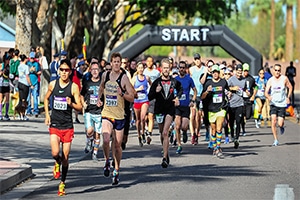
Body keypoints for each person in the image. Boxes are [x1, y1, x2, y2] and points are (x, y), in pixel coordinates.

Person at [44, 59, 82, 196]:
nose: (64, 73)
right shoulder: (53, 84)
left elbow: (80, 106)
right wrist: (47, 115)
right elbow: (46, 98)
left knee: (65, 156)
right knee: (55, 153)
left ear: (70, 72)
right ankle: (56, 163)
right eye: (62, 70)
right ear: (58, 71)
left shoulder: (73, 87)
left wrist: (71, 104)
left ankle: (62, 183)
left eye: (67, 70)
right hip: (55, 124)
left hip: (67, 126)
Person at [97, 52, 135, 185]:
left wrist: (122, 93)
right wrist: (99, 99)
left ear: (120, 64)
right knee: (106, 139)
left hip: (119, 116)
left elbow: (132, 97)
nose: (117, 64)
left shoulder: (124, 78)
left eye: (119, 62)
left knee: (117, 145)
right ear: (111, 63)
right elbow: (101, 87)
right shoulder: (105, 75)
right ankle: (107, 161)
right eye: (114, 62)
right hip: (107, 113)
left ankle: (117, 169)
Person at [148, 58, 182, 168]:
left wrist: (177, 97)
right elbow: (150, 96)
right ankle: (166, 152)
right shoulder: (156, 82)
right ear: (161, 69)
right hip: (159, 109)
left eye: (168, 68)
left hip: (169, 109)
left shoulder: (174, 81)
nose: (166, 70)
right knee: (162, 133)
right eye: (164, 68)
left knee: (165, 132)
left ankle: (164, 158)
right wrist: (155, 91)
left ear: (170, 68)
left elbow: (181, 89)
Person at [201, 65, 230, 158]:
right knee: (213, 130)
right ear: (212, 73)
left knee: (219, 128)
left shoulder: (223, 82)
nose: (215, 74)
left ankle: (218, 147)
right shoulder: (208, 83)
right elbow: (202, 97)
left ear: (219, 73)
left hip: (221, 109)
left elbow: (227, 91)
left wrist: (229, 94)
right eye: (213, 72)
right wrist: (207, 91)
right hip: (211, 109)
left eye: (216, 72)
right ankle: (215, 147)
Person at [265, 64, 292, 146]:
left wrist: (288, 97)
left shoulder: (284, 79)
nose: (277, 72)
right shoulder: (270, 80)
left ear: (280, 71)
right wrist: (268, 96)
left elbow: (290, 87)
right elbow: (266, 92)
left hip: (282, 103)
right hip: (273, 103)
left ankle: (281, 127)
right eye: (276, 70)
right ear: (273, 71)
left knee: (280, 123)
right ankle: (275, 139)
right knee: (273, 121)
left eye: (279, 70)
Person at [81, 61, 103, 161]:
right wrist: (83, 103)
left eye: (96, 69)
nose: (95, 71)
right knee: (90, 130)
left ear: (99, 70)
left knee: (97, 134)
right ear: (90, 71)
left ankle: (95, 153)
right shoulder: (87, 83)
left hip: (99, 112)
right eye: (93, 69)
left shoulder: (102, 83)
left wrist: (102, 103)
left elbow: (106, 97)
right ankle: (89, 140)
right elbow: (81, 95)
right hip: (89, 110)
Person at [174, 61, 196, 154]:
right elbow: (172, 91)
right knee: (177, 126)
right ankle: (179, 145)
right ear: (178, 69)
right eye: (180, 67)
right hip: (178, 106)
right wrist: (174, 99)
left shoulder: (189, 79)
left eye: (183, 67)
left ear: (186, 69)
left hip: (186, 106)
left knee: (184, 126)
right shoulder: (175, 79)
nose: (182, 69)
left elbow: (195, 91)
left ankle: (185, 132)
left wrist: (193, 101)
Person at [131, 62, 152, 146]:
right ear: (137, 69)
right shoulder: (134, 79)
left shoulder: (146, 78)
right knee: (138, 120)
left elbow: (152, 85)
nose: (141, 69)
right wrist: (138, 89)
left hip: (145, 100)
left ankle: (143, 133)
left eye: (142, 68)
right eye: (139, 68)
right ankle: (139, 135)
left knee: (143, 118)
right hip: (137, 101)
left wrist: (152, 93)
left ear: (144, 69)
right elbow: (131, 90)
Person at [227, 64, 247, 149]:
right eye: (238, 72)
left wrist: (247, 93)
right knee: (231, 122)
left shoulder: (244, 80)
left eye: (240, 72)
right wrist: (232, 89)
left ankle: (237, 139)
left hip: (240, 104)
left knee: (238, 121)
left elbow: (246, 90)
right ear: (235, 71)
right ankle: (232, 135)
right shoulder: (231, 79)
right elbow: (225, 87)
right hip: (231, 104)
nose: (239, 74)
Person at [188, 53, 206, 145]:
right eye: (195, 59)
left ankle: (197, 132)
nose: (197, 61)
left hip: (201, 95)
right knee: (192, 115)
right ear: (194, 60)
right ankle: (192, 135)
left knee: (198, 117)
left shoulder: (204, 69)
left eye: (198, 59)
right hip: (192, 94)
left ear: (200, 59)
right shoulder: (191, 69)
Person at [143, 56, 160, 143]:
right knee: (143, 117)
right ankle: (145, 129)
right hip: (143, 95)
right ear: (146, 62)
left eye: (151, 61)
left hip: (152, 95)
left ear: (153, 62)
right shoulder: (143, 71)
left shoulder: (156, 73)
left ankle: (149, 133)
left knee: (151, 116)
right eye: (148, 61)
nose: (149, 63)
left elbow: (158, 84)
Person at [200, 59, 214, 147]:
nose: (210, 68)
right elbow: (201, 81)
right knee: (206, 119)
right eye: (209, 66)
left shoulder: (215, 75)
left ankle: (212, 139)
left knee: (213, 120)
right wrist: (205, 72)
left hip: (214, 99)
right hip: (205, 98)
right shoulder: (204, 75)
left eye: (212, 66)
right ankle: (207, 131)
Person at [241, 63, 257, 136]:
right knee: (242, 115)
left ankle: (243, 123)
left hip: (249, 99)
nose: (245, 72)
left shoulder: (251, 79)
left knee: (248, 116)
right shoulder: (240, 78)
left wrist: (253, 95)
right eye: (244, 71)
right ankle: (243, 129)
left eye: (247, 71)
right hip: (241, 99)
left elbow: (256, 87)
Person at [16, 54, 31, 120]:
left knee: (20, 99)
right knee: (24, 100)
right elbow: (27, 76)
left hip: (20, 83)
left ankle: (19, 114)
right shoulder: (26, 67)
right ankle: (23, 114)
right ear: (25, 59)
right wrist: (30, 84)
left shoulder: (19, 66)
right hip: (25, 84)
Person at [26, 52, 41, 117]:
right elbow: (25, 72)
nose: (32, 59)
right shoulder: (27, 63)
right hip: (28, 81)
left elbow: (40, 71)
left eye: (33, 58)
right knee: (28, 97)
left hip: (35, 81)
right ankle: (29, 110)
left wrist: (36, 72)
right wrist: (30, 70)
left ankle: (36, 110)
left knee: (35, 96)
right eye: (31, 58)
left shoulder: (37, 64)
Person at [0, 52, 11, 120]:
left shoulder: (9, 67)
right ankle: (0, 113)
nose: (8, 61)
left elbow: (10, 75)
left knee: (7, 99)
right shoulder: (2, 65)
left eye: (9, 59)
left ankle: (6, 114)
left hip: (7, 83)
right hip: (1, 83)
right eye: (7, 59)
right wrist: (2, 72)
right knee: (0, 99)